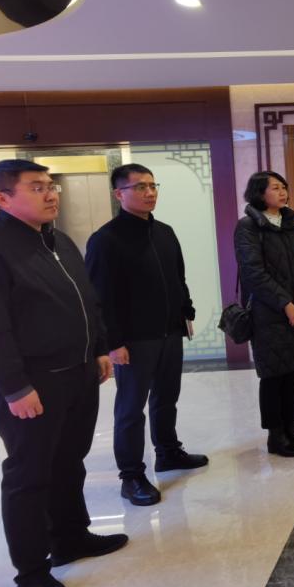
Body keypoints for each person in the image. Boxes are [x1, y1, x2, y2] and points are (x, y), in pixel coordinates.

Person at [0, 159, 128, 587]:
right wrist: (15, 386)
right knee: (29, 476)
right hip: (34, 383)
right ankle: (31, 572)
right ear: (2, 198)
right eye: (37, 187)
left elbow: (88, 299)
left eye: (52, 186)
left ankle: (70, 537)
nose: (51, 194)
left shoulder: (59, 239)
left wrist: (99, 347)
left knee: (69, 462)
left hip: (79, 374)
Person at [85, 164, 208, 508]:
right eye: (139, 187)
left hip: (169, 331)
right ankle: (131, 476)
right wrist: (112, 343)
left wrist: (186, 311)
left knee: (167, 396)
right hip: (133, 339)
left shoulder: (164, 232)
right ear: (119, 194)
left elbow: (178, 278)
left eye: (153, 185)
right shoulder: (105, 240)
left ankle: (167, 452)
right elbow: (100, 297)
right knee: (130, 409)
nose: (150, 192)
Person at [233, 171, 294, 456]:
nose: (282, 192)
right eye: (275, 188)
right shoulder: (248, 226)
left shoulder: (289, 222)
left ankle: (290, 427)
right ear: (260, 193)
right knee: (273, 374)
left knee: (291, 369)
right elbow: (254, 273)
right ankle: (275, 436)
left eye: (284, 187)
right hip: (268, 312)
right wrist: (285, 304)